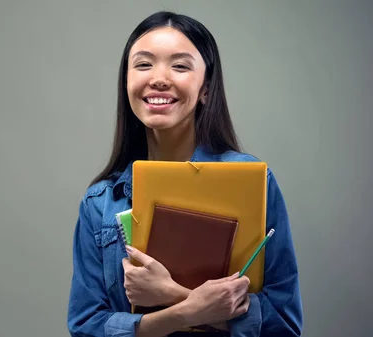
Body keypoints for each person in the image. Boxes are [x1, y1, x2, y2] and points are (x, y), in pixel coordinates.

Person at [66, 11, 303, 337]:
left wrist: (170, 293)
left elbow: (283, 325)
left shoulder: (254, 182)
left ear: (206, 88)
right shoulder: (100, 203)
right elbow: (86, 327)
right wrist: (188, 310)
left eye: (179, 66)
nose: (158, 78)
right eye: (143, 64)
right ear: (126, 83)